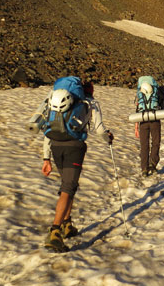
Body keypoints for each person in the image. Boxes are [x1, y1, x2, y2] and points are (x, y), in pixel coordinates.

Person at [41, 80, 114, 252]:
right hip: (75, 147)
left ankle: (67, 224)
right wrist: (108, 136)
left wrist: (46, 158)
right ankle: (55, 231)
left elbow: (48, 130)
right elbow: (99, 128)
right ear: (91, 91)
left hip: (55, 145)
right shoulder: (90, 104)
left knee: (68, 186)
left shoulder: (60, 103)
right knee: (68, 187)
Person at [134, 78, 164, 177]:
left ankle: (144, 169)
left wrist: (136, 127)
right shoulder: (156, 91)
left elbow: (138, 109)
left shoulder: (140, 93)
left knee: (144, 145)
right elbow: (163, 104)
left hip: (143, 121)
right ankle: (153, 165)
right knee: (156, 142)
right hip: (155, 120)